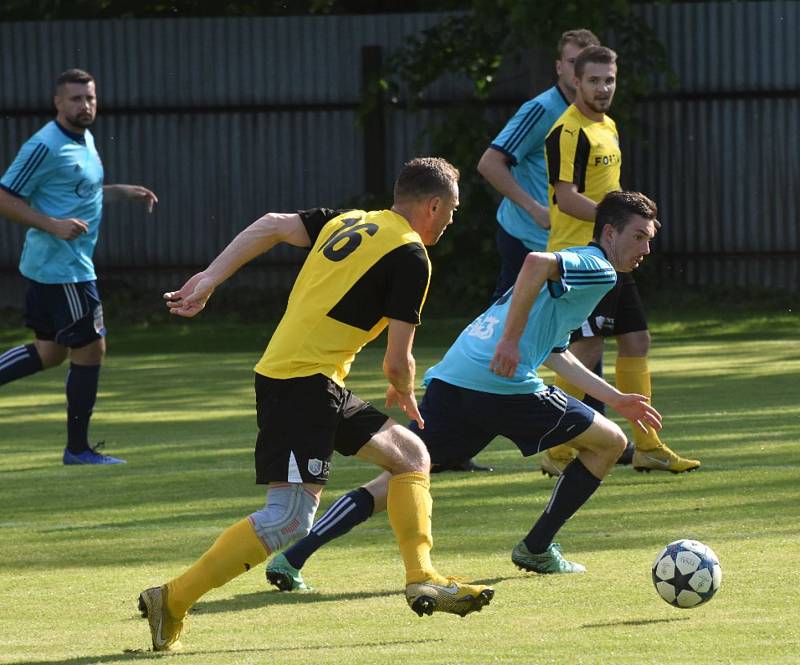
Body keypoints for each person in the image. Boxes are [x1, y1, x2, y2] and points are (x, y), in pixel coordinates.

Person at [137, 157, 494, 653]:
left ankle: (422, 577)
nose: (453, 220)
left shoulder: (351, 220)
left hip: (313, 380)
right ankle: (171, 599)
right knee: (287, 520)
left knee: (411, 457)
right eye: (452, 209)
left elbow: (270, 225)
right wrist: (406, 390)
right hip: (300, 383)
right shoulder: (411, 256)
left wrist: (210, 277)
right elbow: (398, 358)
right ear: (434, 205)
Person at [266, 190, 663, 591]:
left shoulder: (582, 269)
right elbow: (535, 262)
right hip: (501, 384)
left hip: (457, 375)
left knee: (404, 472)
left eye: (649, 238)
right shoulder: (599, 267)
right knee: (610, 443)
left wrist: (616, 399)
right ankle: (537, 547)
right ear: (609, 233)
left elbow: (555, 351)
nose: (646, 248)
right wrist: (509, 342)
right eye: (639, 236)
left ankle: (293, 557)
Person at [542, 45, 700, 476]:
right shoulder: (568, 131)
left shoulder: (608, 125)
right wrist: (620, 220)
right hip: (582, 259)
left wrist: (623, 231)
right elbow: (566, 197)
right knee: (585, 348)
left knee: (636, 341)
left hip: (614, 256)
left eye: (609, 79)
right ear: (576, 81)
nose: (603, 87)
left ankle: (647, 446)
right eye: (594, 80)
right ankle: (557, 448)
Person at [454, 28, 600, 475]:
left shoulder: (593, 119)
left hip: (565, 249)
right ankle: (448, 438)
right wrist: (536, 208)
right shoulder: (541, 109)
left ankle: (593, 436)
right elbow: (488, 162)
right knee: (497, 344)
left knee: (586, 337)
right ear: (561, 68)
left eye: (589, 68)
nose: (581, 77)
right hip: (527, 243)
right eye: (574, 66)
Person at [0, 68, 157, 465]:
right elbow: (4, 196)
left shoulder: (83, 138)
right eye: (75, 99)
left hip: (61, 266)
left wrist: (119, 193)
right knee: (91, 349)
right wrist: (52, 225)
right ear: (58, 102)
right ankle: (78, 449)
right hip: (64, 269)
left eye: (89, 98)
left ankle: (77, 448)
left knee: (50, 352)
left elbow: (74, 191)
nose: (84, 105)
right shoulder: (44, 144)